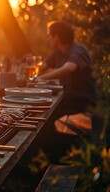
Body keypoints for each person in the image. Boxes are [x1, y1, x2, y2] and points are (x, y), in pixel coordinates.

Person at [35, 20, 98, 159]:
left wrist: (41, 79)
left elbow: (69, 68)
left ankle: (53, 157)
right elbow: (41, 67)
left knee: (44, 118)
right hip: (67, 100)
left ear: (56, 37)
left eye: (49, 35)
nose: (48, 38)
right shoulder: (57, 53)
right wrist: (34, 72)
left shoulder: (78, 50)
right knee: (41, 114)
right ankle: (46, 156)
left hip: (82, 101)